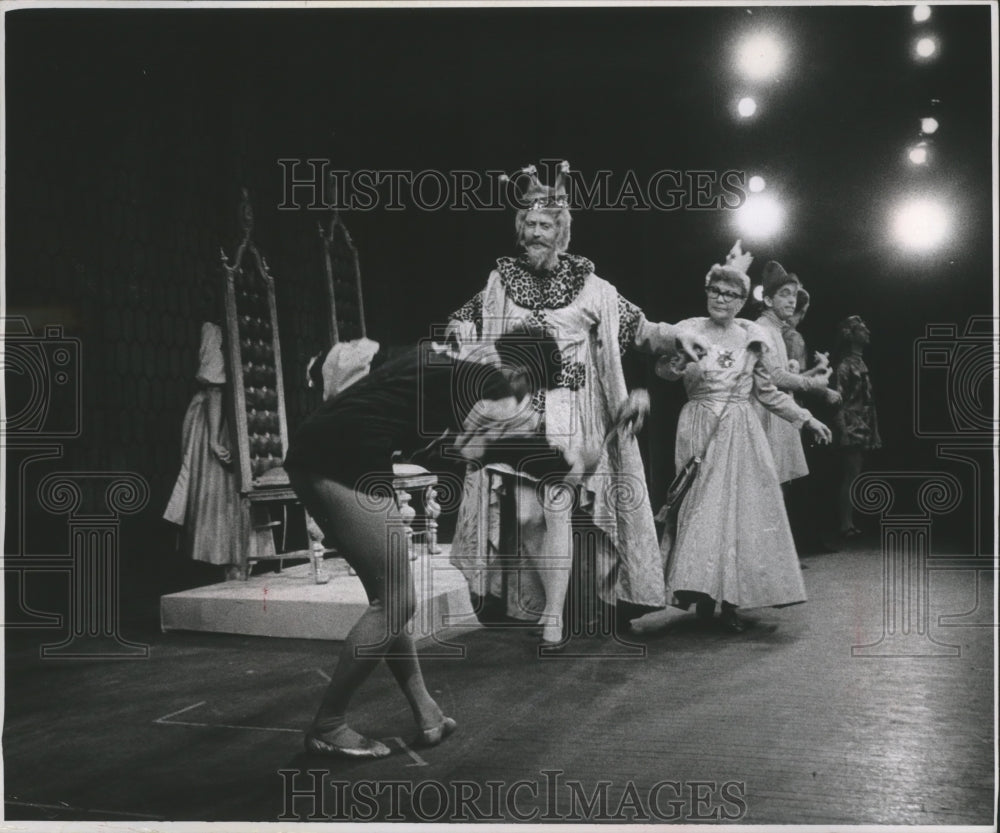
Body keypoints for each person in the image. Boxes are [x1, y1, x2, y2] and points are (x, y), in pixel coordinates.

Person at [284, 328, 583, 758]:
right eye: (531, 388)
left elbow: (463, 449)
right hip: (341, 460)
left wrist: (560, 464)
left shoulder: (445, 368)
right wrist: (569, 465)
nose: (526, 399)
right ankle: (329, 724)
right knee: (396, 602)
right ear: (519, 374)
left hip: (331, 453)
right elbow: (492, 449)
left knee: (390, 599)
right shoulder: (490, 382)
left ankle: (427, 713)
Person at [445, 161, 708, 644]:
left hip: (572, 411)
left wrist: (677, 336)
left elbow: (641, 329)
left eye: (544, 225)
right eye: (528, 224)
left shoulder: (593, 286)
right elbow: (466, 318)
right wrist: (461, 330)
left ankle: (554, 616)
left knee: (556, 507)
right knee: (526, 517)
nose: (534, 233)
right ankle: (547, 602)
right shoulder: (501, 281)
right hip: (518, 413)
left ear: (561, 232)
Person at [656, 260, 832, 632]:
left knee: (741, 514)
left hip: (741, 428)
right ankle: (702, 593)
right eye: (715, 291)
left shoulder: (752, 335)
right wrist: (677, 362)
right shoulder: (688, 329)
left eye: (730, 294)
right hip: (699, 425)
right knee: (701, 512)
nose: (721, 299)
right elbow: (664, 372)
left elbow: (767, 391)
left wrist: (806, 419)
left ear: (741, 301)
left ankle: (732, 600)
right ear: (707, 293)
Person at [163, 294, 243, 580]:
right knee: (218, 490)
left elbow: (216, 389)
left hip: (222, 416)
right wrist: (213, 437)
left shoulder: (218, 329)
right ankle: (228, 560)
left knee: (220, 489)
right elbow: (214, 387)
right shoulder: (221, 329)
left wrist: (214, 438)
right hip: (221, 416)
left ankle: (227, 559)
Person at [752, 261, 837, 486]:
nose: (792, 300)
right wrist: (813, 384)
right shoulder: (762, 329)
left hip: (776, 411)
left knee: (776, 487)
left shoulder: (774, 329)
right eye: (784, 294)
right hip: (765, 413)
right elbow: (775, 377)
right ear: (768, 300)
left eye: (794, 295)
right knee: (767, 486)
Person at [781, 288, 843, 553]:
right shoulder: (792, 337)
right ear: (803, 310)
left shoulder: (778, 334)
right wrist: (822, 387)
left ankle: (796, 542)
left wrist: (817, 372)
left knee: (789, 479)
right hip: (791, 411)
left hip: (782, 408)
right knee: (796, 478)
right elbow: (790, 380)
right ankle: (800, 542)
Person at [833, 315, 881, 539]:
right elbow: (838, 400)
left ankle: (849, 521)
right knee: (851, 473)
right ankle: (845, 523)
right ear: (851, 335)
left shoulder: (861, 363)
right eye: (862, 330)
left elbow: (869, 400)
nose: (867, 332)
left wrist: (875, 429)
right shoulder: (845, 365)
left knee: (856, 473)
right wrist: (843, 430)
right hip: (852, 425)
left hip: (864, 424)